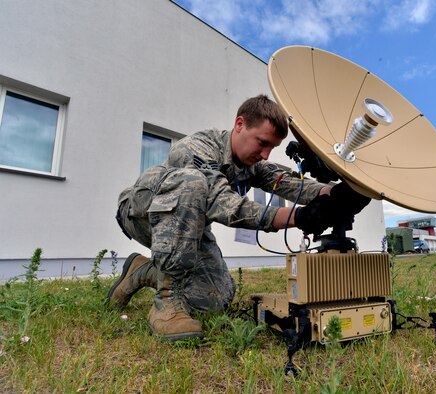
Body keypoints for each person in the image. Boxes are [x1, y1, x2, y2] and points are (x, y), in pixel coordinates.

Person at [108, 94, 345, 341]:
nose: (265, 154)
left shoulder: (250, 163)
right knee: (193, 183)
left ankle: (143, 270)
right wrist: (298, 217)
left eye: (271, 148)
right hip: (141, 213)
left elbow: (284, 181)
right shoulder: (197, 148)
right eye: (262, 143)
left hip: (187, 230)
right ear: (240, 124)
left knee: (217, 297)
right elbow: (223, 202)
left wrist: (335, 195)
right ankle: (167, 305)